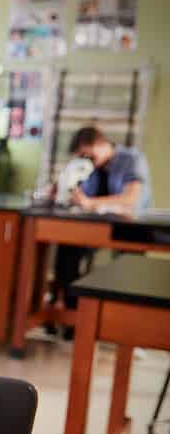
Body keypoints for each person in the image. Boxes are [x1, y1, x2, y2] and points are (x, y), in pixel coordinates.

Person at [53, 126, 152, 314]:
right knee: (67, 248)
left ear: (99, 144)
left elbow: (131, 199)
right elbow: (80, 196)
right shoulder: (89, 168)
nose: (85, 160)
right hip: (96, 227)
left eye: (87, 155)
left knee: (128, 266)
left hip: (130, 227)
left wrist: (89, 203)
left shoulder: (132, 159)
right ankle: (72, 314)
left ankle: (120, 315)